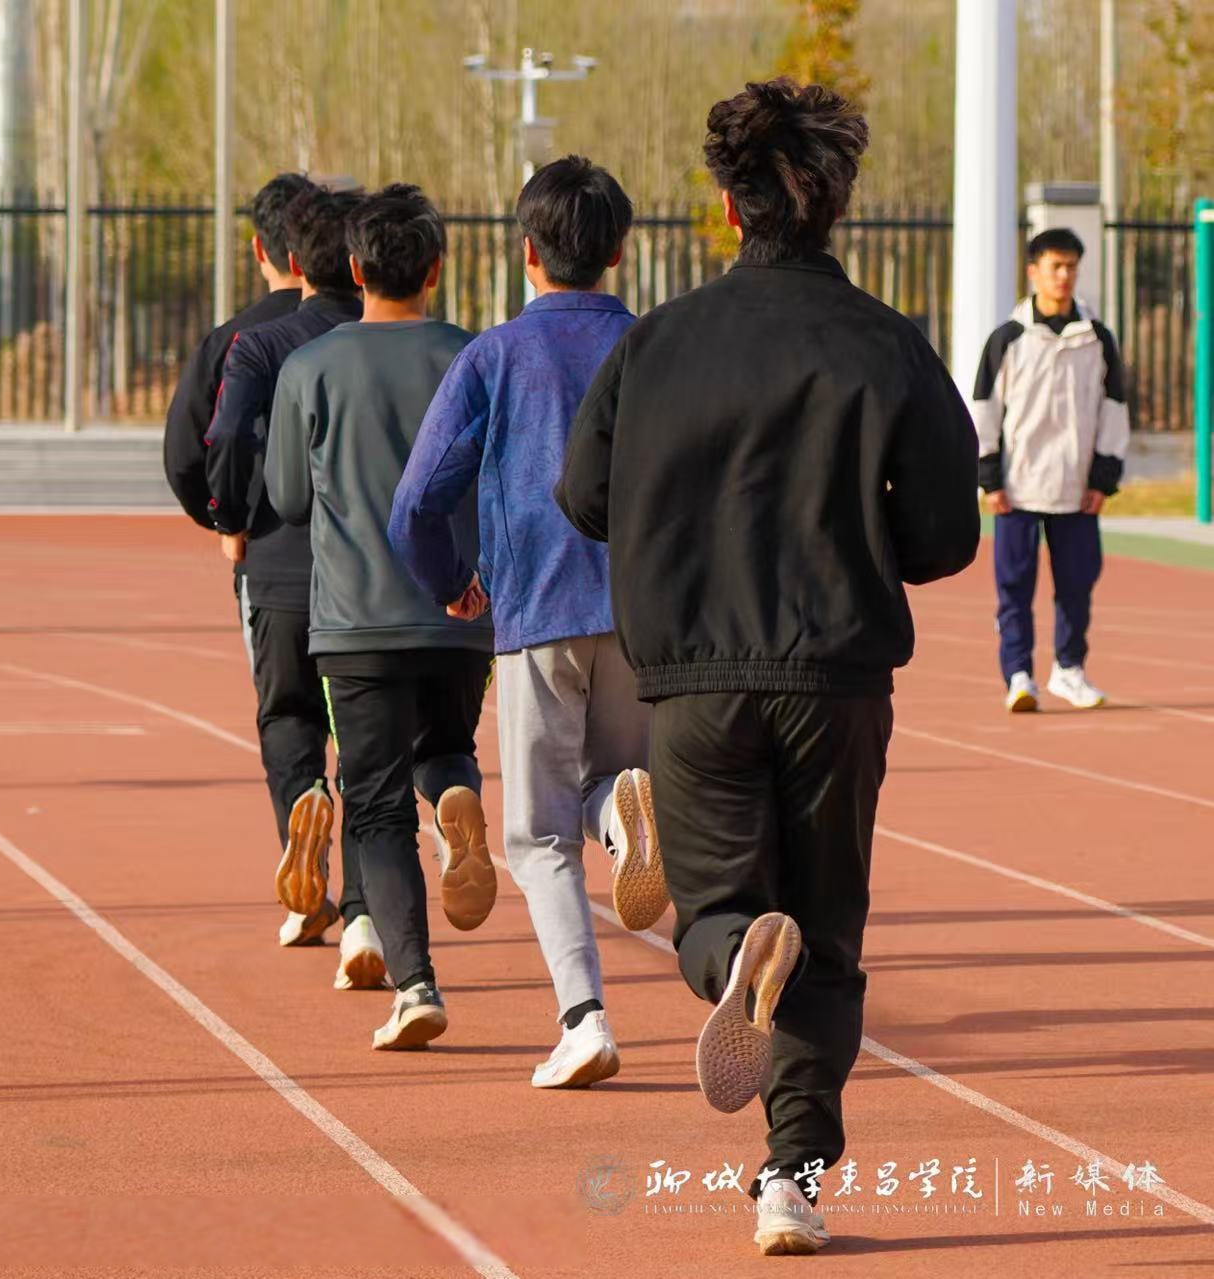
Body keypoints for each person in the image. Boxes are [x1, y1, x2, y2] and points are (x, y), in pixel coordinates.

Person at [558, 79, 979, 1255]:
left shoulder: (656, 342)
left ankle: (727, 949)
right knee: (829, 934)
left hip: (690, 679)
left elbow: (583, 497)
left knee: (715, 906)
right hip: (836, 677)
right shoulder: (888, 345)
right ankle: (788, 1177)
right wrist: (850, 533)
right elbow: (947, 535)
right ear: (834, 207)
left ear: (727, 211)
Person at [388, 156, 661, 1090]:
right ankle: (626, 821)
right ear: (620, 249)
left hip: (537, 606)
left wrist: (453, 582)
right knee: (613, 778)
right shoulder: (656, 347)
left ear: (527, 253)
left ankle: (583, 1018)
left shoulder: (494, 356)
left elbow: (418, 499)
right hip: (642, 609)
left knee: (536, 836)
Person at [265, 184, 493, 1051]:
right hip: (459, 611)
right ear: (437, 269)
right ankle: (458, 788)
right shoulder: (473, 357)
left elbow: (286, 496)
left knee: (374, 808)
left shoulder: (310, 367)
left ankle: (418, 984)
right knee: (442, 745)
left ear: (354, 269)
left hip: (355, 621)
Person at [203, 186, 381, 971]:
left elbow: (225, 437)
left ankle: (302, 816)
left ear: (290, 259)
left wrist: (230, 518)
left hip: (277, 560)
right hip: (371, 573)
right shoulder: (389, 338)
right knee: (372, 748)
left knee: (286, 716)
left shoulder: (263, 345)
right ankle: (369, 914)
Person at [972, 227, 1130, 713]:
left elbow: (1114, 409)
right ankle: (1019, 675)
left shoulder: (1097, 338)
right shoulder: (1008, 339)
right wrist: (990, 477)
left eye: (1071, 267)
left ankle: (1069, 670)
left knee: (1078, 585)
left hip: (1076, 489)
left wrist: (1103, 478)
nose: (1063, 276)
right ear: (1033, 271)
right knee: (1014, 588)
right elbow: (984, 410)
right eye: (1055, 266)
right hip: (1018, 490)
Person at [163, 171, 316, 666]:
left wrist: (226, 516)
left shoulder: (230, 342)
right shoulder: (360, 330)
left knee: (287, 716)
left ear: (259, 249)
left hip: (264, 552)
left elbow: (186, 453)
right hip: (367, 561)